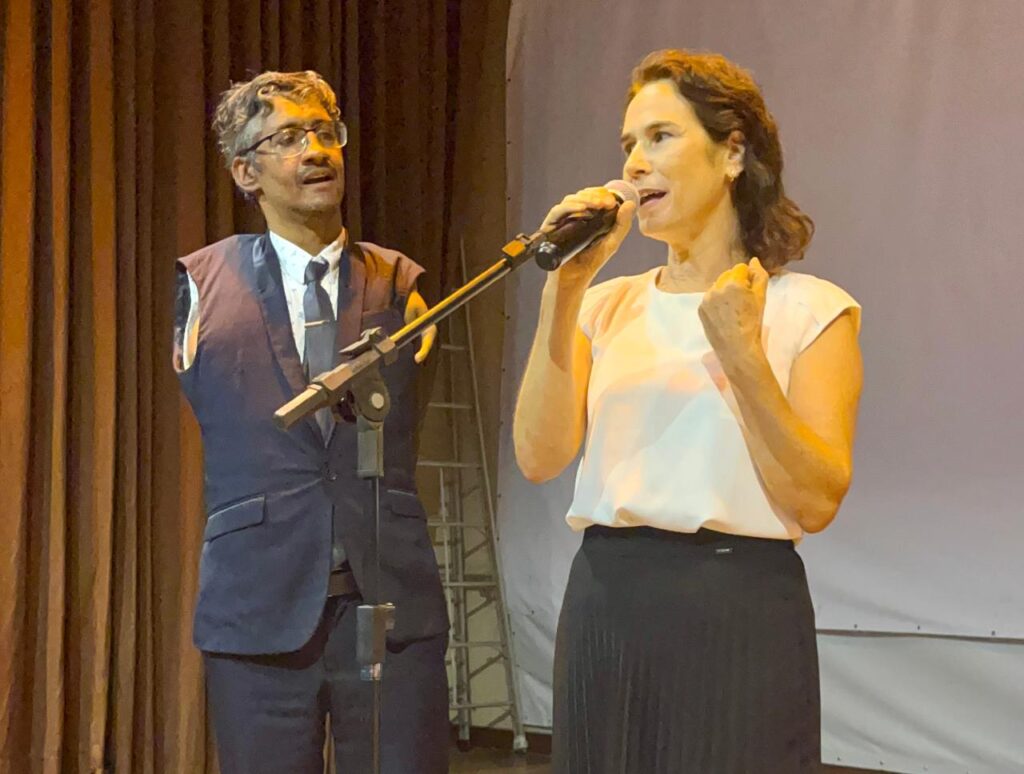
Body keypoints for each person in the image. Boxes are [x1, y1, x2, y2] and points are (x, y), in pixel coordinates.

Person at [514, 49, 863, 773]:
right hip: (606, 601)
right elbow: (539, 457)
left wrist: (742, 355)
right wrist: (563, 290)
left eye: (660, 137)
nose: (634, 163)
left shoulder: (809, 310)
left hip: (737, 610)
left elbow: (817, 498)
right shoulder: (605, 304)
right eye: (628, 144)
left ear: (732, 153)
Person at [172, 70, 449, 774]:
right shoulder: (204, 282)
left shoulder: (399, 282)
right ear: (246, 172)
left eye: (326, 133)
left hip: (386, 607)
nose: (317, 150)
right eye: (289, 138)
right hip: (258, 608)